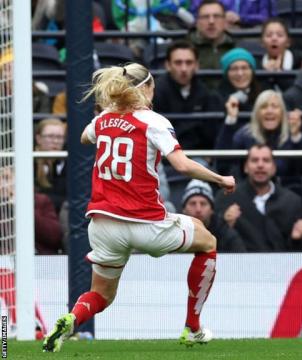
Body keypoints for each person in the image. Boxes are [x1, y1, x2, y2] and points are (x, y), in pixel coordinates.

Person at [42, 63, 236, 352]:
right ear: (145, 88)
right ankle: (192, 327)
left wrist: (109, 115)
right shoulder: (153, 121)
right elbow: (181, 165)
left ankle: (72, 318)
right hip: (144, 222)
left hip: (103, 224)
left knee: (101, 295)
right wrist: (219, 178)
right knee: (207, 241)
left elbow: (84, 137)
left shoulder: (103, 119)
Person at [214, 144, 302, 251]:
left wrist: (297, 239)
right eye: (255, 160)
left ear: (274, 167)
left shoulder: (292, 201)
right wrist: (225, 226)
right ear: (245, 167)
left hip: (282, 266)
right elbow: (213, 241)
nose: (260, 165)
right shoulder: (227, 197)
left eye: (266, 160)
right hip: (238, 265)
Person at [153, 40, 223, 150]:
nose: (184, 69)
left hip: (197, 155)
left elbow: (211, 133)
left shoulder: (206, 92)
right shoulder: (155, 91)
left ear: (197, 65)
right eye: (178, 63)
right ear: (167, 65)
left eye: (189, 62)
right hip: (163, 155)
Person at [181, 179, 246, 252]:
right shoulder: (174, 231)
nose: (198, 209)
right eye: (193, 203)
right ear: (184, 209)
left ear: (212, 210)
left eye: (203, 204)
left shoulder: (225, 232)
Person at [187, 0, 235, 88]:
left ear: (225, 21)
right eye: (205, 17)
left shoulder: (236, 48)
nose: (211, 21)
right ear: (197, 22)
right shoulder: (184, 49)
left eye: (216, 16)